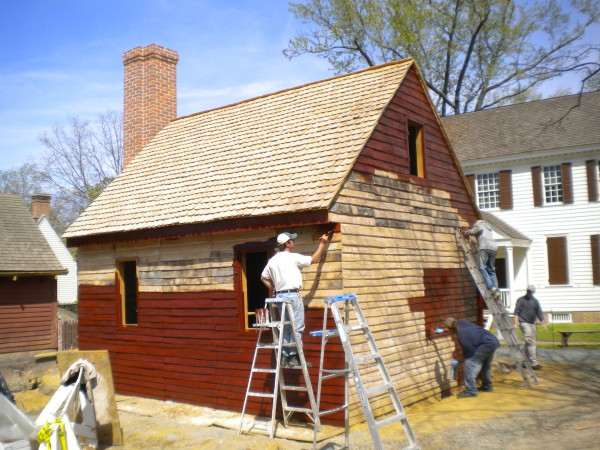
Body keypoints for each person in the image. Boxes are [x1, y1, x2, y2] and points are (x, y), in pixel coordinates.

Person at [261, 231, 331, 367]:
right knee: (297, 326)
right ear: (287, 244)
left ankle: (284, 357)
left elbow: (263, 277)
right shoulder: (293, 257)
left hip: (279, 297)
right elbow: (314, 259)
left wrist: (275, 288)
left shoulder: (272, 260)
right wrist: (322, 243)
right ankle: (294, 356)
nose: (294, 241)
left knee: (286, 326)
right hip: (292, 295)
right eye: (292, 240)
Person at [444, 317, 500, 398]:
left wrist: (460, 361)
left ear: (452, 329)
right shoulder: (462, 322)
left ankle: (470, 391)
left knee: (469, 365)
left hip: (486, 345)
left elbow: (469, 353)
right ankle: (487, 386)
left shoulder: (462, 334)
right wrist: (446, 330)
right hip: (492, 341)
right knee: (485, 366)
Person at [463, 220, 500, 298]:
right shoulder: (488, 228)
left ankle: (491, 287)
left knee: (481, 267)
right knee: (491, 270)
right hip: (493, 248)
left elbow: (474, 231)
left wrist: (466, 232)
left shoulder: (479, 225)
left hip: (484, 247)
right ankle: (496, 290)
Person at [513, 285, 547, 370]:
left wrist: (543, 323)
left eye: (531, 292)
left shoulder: (535, 301)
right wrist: (516, 323)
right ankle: (533, 363)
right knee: (531, 341)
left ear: (533, 293)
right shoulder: (521, 300)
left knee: (529, 343)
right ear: (526, 291)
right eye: (528, 291)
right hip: (523, 322)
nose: (529, 293)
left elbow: (539, 313)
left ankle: (524, 362)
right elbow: (516, 312)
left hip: (532, 323)